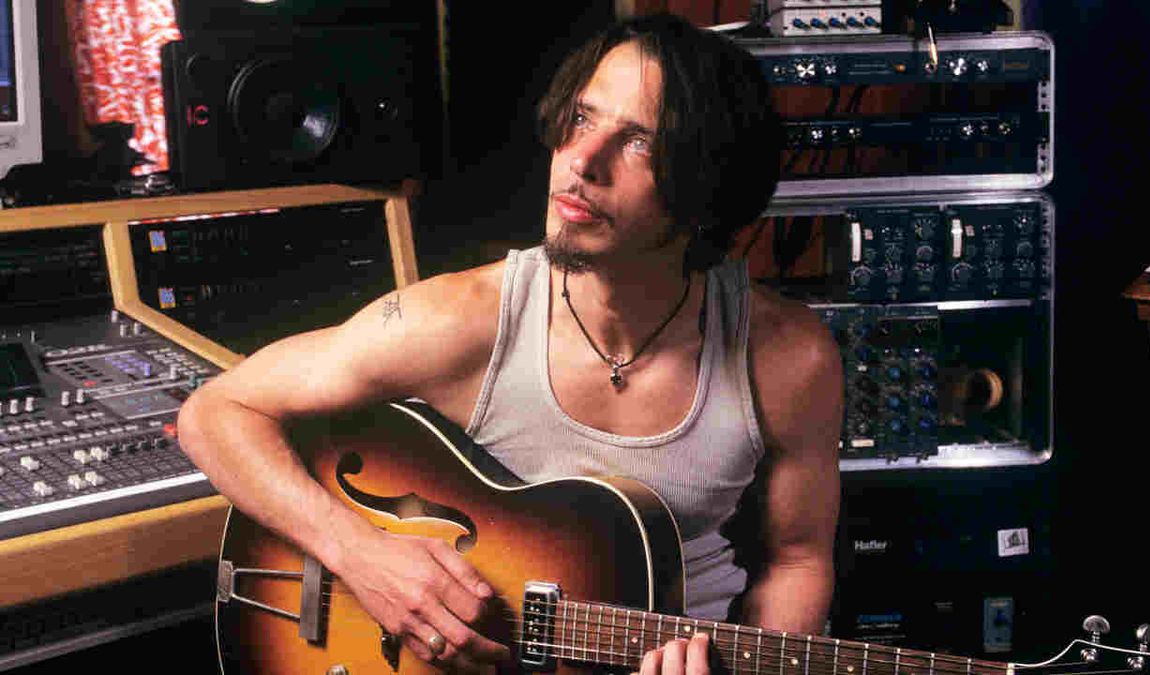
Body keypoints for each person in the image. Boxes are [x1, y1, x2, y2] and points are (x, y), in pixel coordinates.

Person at [177, 12, 843, 675]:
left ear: (708, 188)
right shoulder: (458, 320)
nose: (582, 161)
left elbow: (799, 558)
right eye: (580, 120)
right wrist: (362, 556)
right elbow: (215, 413)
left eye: (638, 141)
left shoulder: (787, 357)